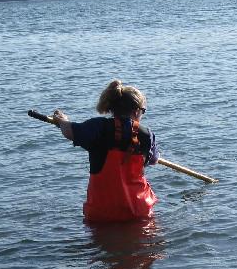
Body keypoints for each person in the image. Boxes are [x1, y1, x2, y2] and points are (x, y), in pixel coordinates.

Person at [52, 80, 159, 222]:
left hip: (103, 213)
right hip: (139, 210)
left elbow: (70, 131)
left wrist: (62, 121)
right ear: (136, 111)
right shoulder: (147, 135)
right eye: (143, 111)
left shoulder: (97, 127)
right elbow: (154, 160)